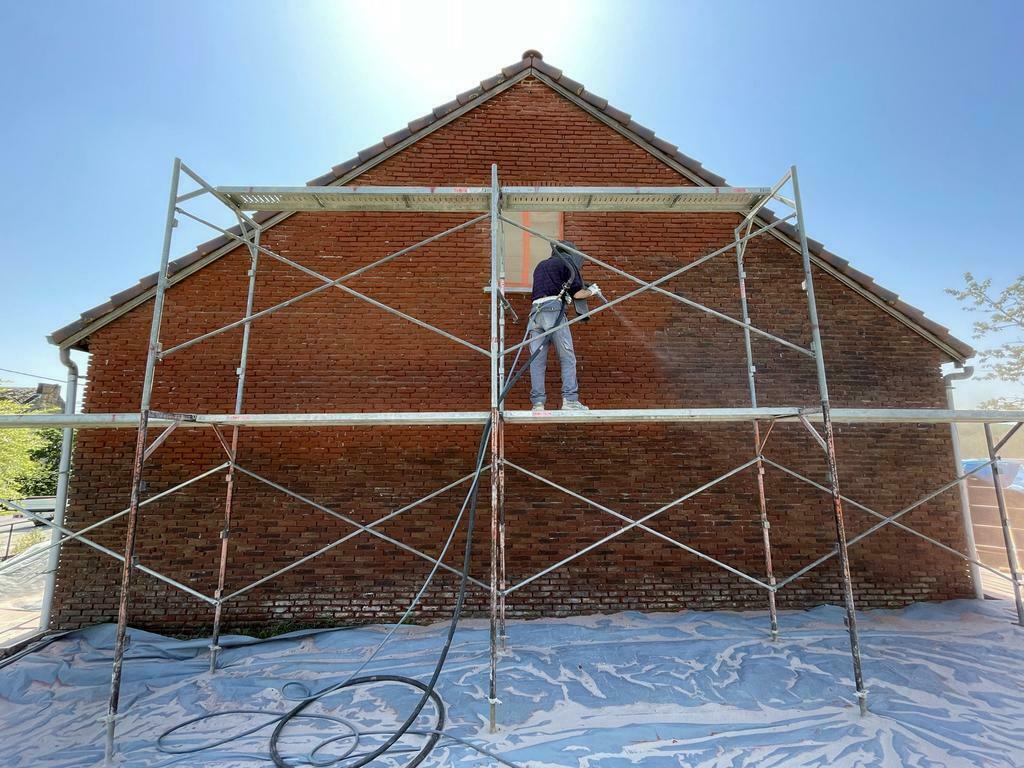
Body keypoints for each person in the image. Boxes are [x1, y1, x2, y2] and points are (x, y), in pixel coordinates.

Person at [527, 240, 602, 411]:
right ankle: (570, 400)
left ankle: (537, 404)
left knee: (536, 361)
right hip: (553, 312)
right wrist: (592, 291)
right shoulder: (567, 263)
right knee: (567, 357)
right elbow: (578, 294)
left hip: (535, 315)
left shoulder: (541, 265)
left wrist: (563, 296)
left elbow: (549, 288)